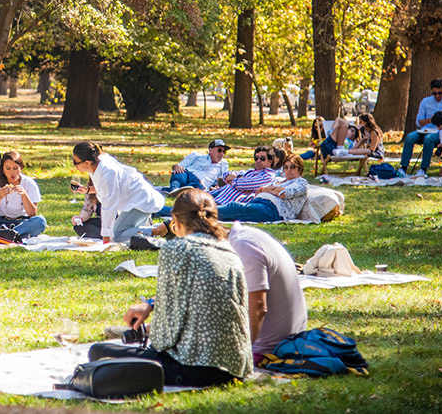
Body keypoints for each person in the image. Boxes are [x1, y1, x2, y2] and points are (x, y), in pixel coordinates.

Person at [87, 189, 252, 387]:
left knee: (98, 352)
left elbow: (165, 336)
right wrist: (151, 304)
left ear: (175, 221)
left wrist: (148, 337)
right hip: (236, 367)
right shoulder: (230, 252)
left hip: (192, 367)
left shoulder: (177, 249)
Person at [227, 223, 307, 364]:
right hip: (292, 339)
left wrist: (241, 354)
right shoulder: (245, 235)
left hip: (267, 349)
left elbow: (258, 307)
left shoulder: (243, 247)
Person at [71, 142, 164, 243]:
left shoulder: (107, 173)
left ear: (87, 162)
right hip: (132, 202)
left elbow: (109, 207)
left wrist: (106, 238)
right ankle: (151, 229)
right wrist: (88, 190)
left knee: (117, 236)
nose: (74, 165)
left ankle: (158, 229)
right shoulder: (97, 163)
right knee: (121, 233)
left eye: (76, 162)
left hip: (140, 201)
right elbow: (105, 187)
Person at [399, 79, 442, 177]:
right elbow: (419, 122)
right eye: (434, 93)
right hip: (426, 130)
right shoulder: (425, 102)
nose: (437, 96)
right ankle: (403, 168)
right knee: (409, 137)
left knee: (428, 139)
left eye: (439, 93)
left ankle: (423, 169)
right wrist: (429, 120)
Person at [217, 154, 309, 223]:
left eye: (292, 167)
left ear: (300, 169)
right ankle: (208, 214)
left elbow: (283, 193)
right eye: (285, 167)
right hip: (259, 203)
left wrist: (267, 189)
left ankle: (204, 212)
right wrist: (272, 189)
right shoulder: (279, 180)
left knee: (234, 207)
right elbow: (259, 190)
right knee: (232, 213)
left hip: (273, 210)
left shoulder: (301, 182)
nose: (288, 170)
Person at [164, 139, 231, 193]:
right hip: (188, 174)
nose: (222, 154)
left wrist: (216, 186)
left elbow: (223, 180)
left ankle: (168, 190)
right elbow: (178, 166)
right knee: (180, 174)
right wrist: (176, 167)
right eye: (219, 150)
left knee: (191, 189)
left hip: (200, 184)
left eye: (224, 151)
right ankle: (174, 190)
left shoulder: (223, 164)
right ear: (211, 150)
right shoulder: (197, 156)